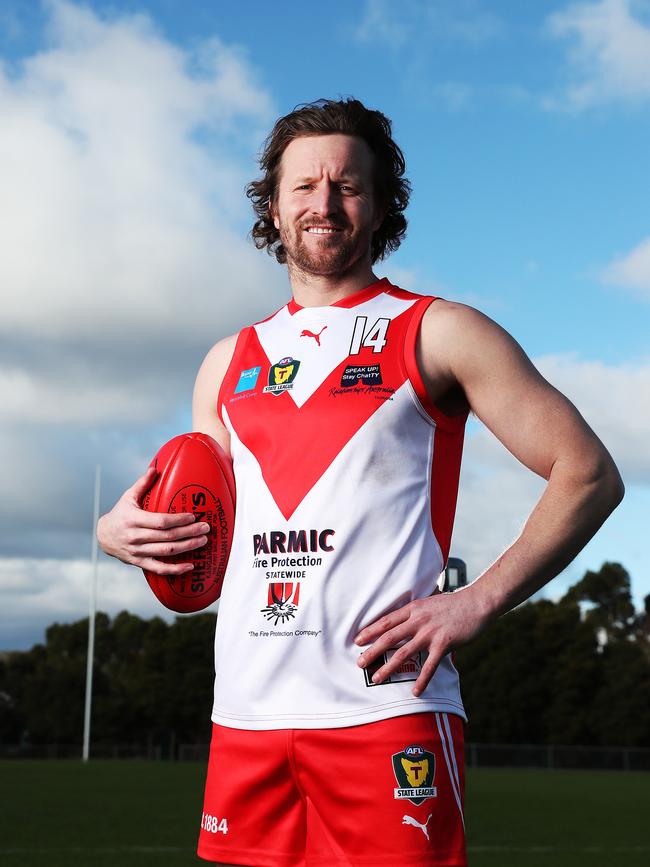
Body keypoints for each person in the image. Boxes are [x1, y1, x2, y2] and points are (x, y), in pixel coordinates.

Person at [97, 98, 624, 867]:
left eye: (347, 185)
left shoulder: (439, 331)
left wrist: (478, 598)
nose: (324, 202)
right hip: (245, 715)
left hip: (386, 712)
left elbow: (589, 473)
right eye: (304, 185)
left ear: (380, 206)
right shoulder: (227, 359)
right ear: (272, 206)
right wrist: (124, 531)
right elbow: (204, 516)